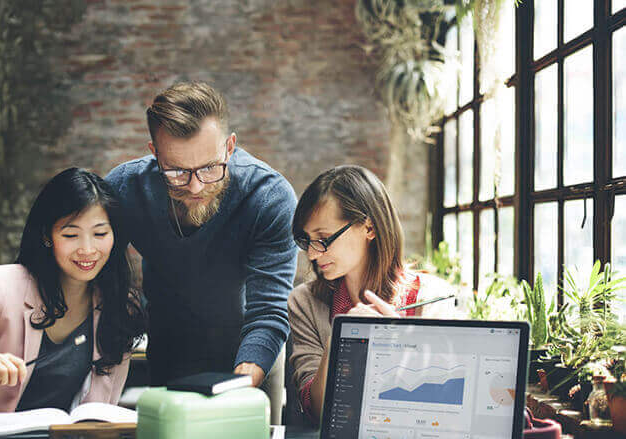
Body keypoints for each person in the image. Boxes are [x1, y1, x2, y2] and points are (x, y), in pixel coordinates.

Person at [105, 82, 297, 420]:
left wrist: (242, 381)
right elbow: (96, 280)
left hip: (253, 357)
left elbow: (268, 311)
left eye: (210, 168)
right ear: (155, 153)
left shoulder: (269, 198)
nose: (195, 187)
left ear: (230, 147)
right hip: (167, 353)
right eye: (177, 171)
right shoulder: (124, 189)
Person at [0, 168, 145, 420]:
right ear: (47, 235)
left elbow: (103, 408)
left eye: (100, 234)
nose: (87, 249)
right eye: (70, 235)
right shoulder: (2, 287)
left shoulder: (120, 306)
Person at [288, 165, 455, 423]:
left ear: (370, 228)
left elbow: (444, 405)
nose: (311, 253)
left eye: (323, 238)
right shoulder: (304, 303)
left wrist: (400, 345)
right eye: (307, 240)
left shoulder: (432, 298)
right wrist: (339, 340)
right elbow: (318, 412)